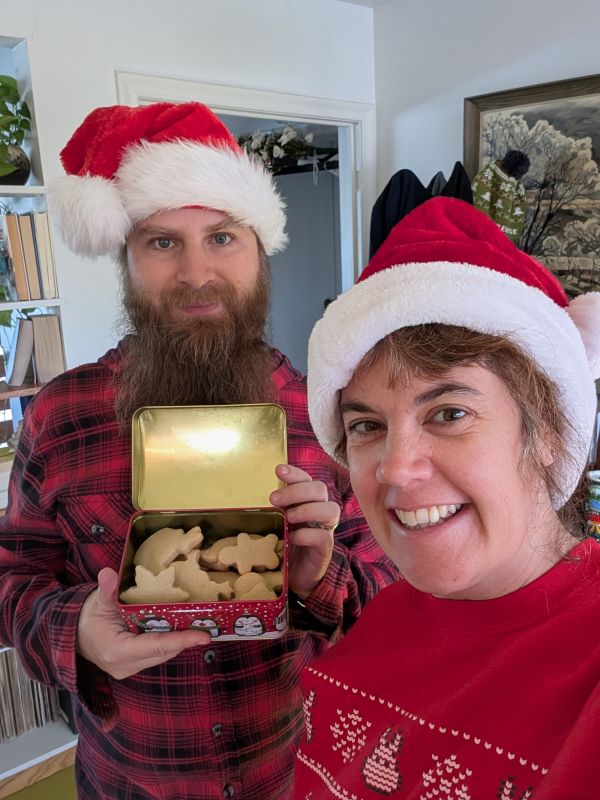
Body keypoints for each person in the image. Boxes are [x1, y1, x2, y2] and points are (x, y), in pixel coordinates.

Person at [0, 102, 397, 800]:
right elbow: (11, 578)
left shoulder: (330, 412)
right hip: (132, 781)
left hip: (297, 772)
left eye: (221, 237)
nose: (194, 273)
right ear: (125, 258)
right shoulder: (60, 417)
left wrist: (318, 578)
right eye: (161, 242)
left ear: (259, 248)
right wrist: (76, 634)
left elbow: (389, 591)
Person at [294, 196, 600, 798]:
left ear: (550, 431)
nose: (396, 470)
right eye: (367, 426)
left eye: (449, 412)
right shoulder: (381, 614)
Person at [471, 149, 530, 245]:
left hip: (496, 238)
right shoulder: (490, 172)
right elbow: (478, 191)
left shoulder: (516, 184)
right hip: (479, 233)